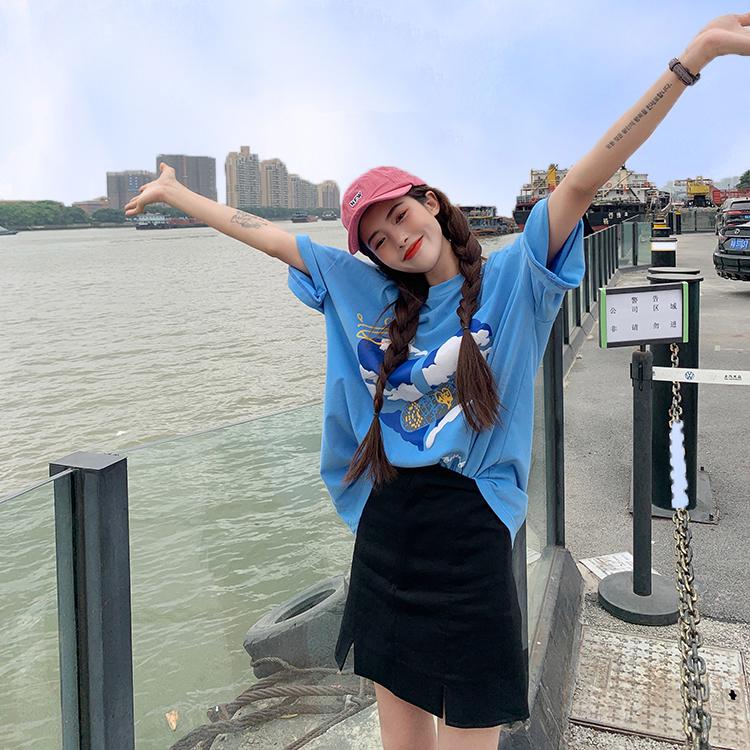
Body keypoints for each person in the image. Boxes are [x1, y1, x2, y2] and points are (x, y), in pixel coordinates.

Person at [124, 13, 750, 748]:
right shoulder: (368, 295)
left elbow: (587, 176)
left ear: (430, 201)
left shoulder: (516, 280)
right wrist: (176, 193)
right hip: (386, 529)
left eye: (400, 216)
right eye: (379, 239)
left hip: (470, 535)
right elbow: (258, 231)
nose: (397, 239)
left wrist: (692, 59)